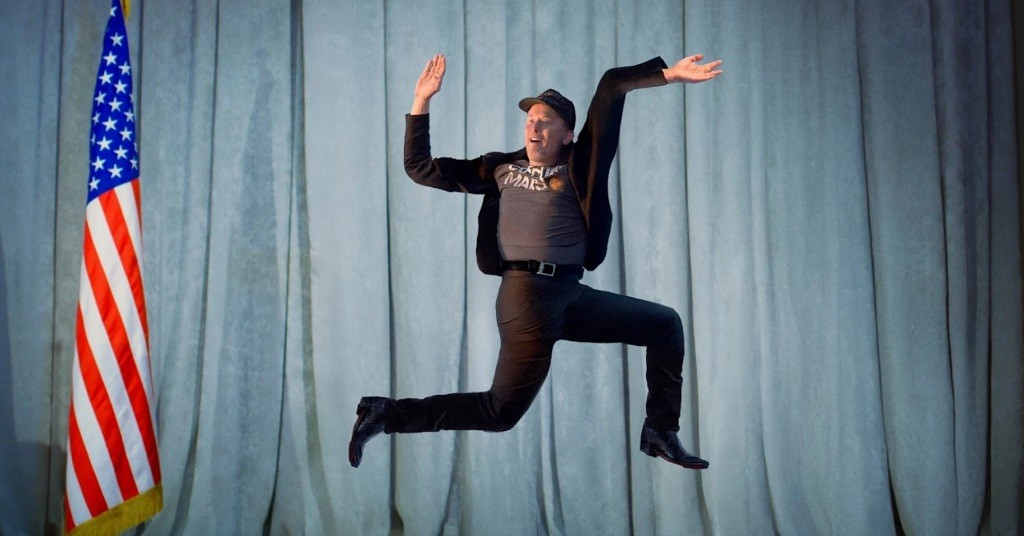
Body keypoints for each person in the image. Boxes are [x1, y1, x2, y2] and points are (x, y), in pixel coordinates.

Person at [349, 53, 723, 470]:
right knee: (498, 413)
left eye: (546, 121)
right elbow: (419, 167)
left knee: (665, 325)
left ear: (568, 134)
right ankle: (386, 414)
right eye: (530, 120)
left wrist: (670, 75)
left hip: (571, 296)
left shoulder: (581, 163)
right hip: (526, 298)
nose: (534, 127)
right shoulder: (499, 169)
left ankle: (659, 430)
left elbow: (612, 84)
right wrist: (421, 101)